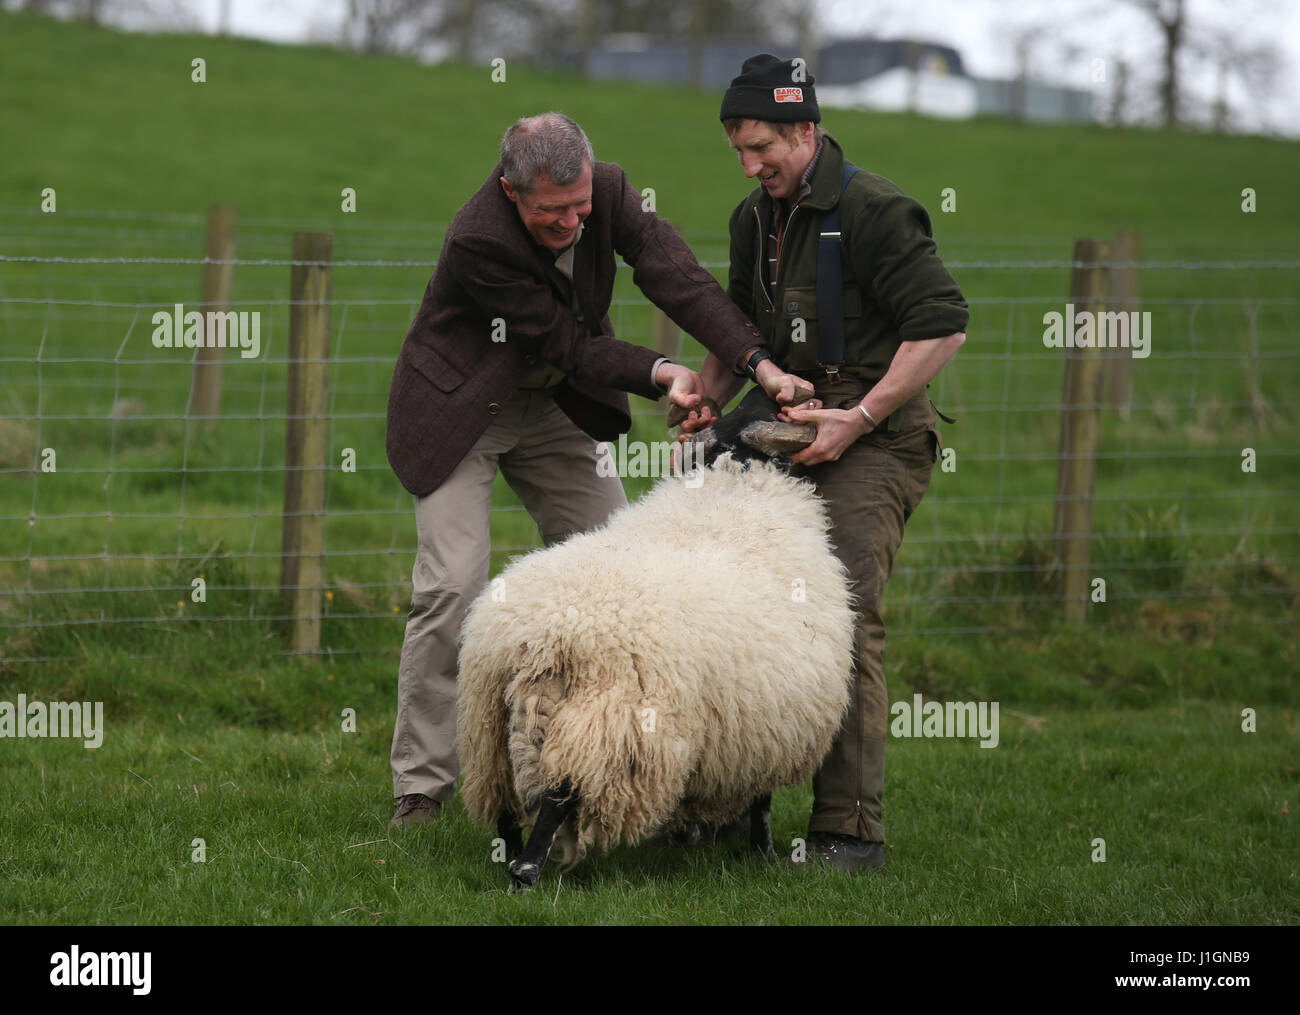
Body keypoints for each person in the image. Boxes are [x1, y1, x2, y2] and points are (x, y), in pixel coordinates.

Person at [385, 111, 807, 827]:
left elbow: (680, 279)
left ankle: (615, 769)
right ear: (513, 192)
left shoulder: (609, 193)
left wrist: (754, 363)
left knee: (627, 581)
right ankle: (421, 786)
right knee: (453, 586)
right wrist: (665, 371)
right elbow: (570, 342)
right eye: (554, 212)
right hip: (463, 414)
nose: (574, 221)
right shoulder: (478, 238)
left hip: (556, 407)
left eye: (580, 204)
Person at [680, 56, 968, 871]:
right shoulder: (754, 216)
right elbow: (739, 325)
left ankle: (847, 831)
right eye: (738, 149)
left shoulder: (876, 210)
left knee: (840, 615)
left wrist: (862, 415)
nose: (749, 165)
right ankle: (725, 803)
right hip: (782, 420)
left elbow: (943, 324)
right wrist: (704, 400)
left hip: (875, 436)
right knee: (719, 599)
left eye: (763, 146)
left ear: (806, 130)